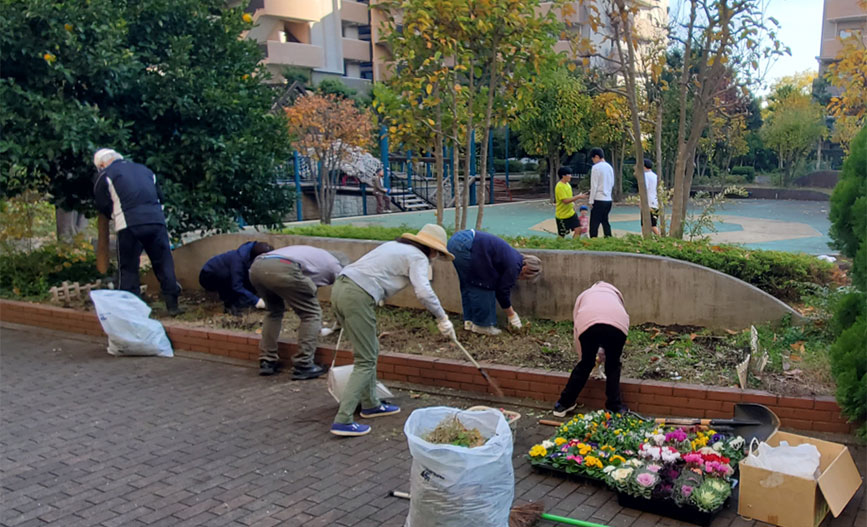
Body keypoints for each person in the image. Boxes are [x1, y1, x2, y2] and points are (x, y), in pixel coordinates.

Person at [330, 224, 456, 437]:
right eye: (437, 253)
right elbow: (424, 292)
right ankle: (343, 420)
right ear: (431, 249)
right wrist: (442, 318)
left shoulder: (394, 246)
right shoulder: (418, 257)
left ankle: (371, 404)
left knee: (369, 351)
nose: (435, 257)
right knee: (366, 360)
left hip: (341, 288)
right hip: (357, 296)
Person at [92, 148, 184, 315]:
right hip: (156, 221)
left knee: (128, 266)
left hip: (129, 224)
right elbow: (161, 198)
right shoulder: (145, 170)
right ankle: (173, 305)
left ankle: (132, 308)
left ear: (102, 164)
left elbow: (103, 204)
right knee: (163, 262)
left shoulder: (105, 174)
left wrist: (114, 215)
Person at [249, 245, 345, 378]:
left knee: (273, 312)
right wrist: (341, 323)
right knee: (311, 314)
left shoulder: (316, 257)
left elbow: (306, 286)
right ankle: (304, 364)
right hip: (283, 267)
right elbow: (342, 295)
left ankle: (267, 361)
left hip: (258, 266)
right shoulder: (336, 266)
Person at [553, 281, 630, 418]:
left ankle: (563, 404)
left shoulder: (584, 295)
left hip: (588, 324)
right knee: (613, 364)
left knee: (585, 363)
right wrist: (603, 358)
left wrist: (584, 359)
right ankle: (615, 406)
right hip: (618, 324)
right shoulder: (615, 295)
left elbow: (578, 331)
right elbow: (614, 319)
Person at [447, 230, 542, 335]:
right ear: (525, 269)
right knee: (484, 285)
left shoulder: (512, 256)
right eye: (525, 278)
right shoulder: (515, 267)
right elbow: (502, 291)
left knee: (469, 284)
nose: (520, 279)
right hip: (467, 245)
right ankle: (482, 326)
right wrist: (512, 315)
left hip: (457, 241)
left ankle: (469, 322)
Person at [199, 241, 274, 316]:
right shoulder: (238, 262)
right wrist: (257, 301)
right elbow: (237, 286)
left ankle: (244, 301)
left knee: (248, 280)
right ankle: (230, 305)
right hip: (208, 276)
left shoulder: (250, 256)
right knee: (231, 279)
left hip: (226, 274)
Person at [588, 147, 615, 238]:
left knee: (594, 223)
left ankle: (593, 240)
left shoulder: (596, 168)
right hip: (608, 199)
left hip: (599, 199)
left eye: (593, 158)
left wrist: (591, 201)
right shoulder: (609, 167)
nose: (593, 161)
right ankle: (609, 239)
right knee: (605, 221)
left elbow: (594, 185)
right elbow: (612, 183)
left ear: (596, 156)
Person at [554, 166, 583, 238]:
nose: (571, 176)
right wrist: (578, 197)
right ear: (563, 176)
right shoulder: (559, 186)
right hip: (562, 215)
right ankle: (557, 245)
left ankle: (574, 244)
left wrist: (573, 204)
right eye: (569, 174)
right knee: (561, 236)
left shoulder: (568, 185)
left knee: (578, 230)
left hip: (571, 213)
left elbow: (570, 198)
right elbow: (565, 201)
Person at [642, 159, 660, 236]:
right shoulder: (655, 176)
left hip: (649, 203)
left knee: (650, 225)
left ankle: (660, 238)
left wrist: (641, 201)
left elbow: (644, 189)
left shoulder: (645, 176)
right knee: (650, 224)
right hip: (656, 202)